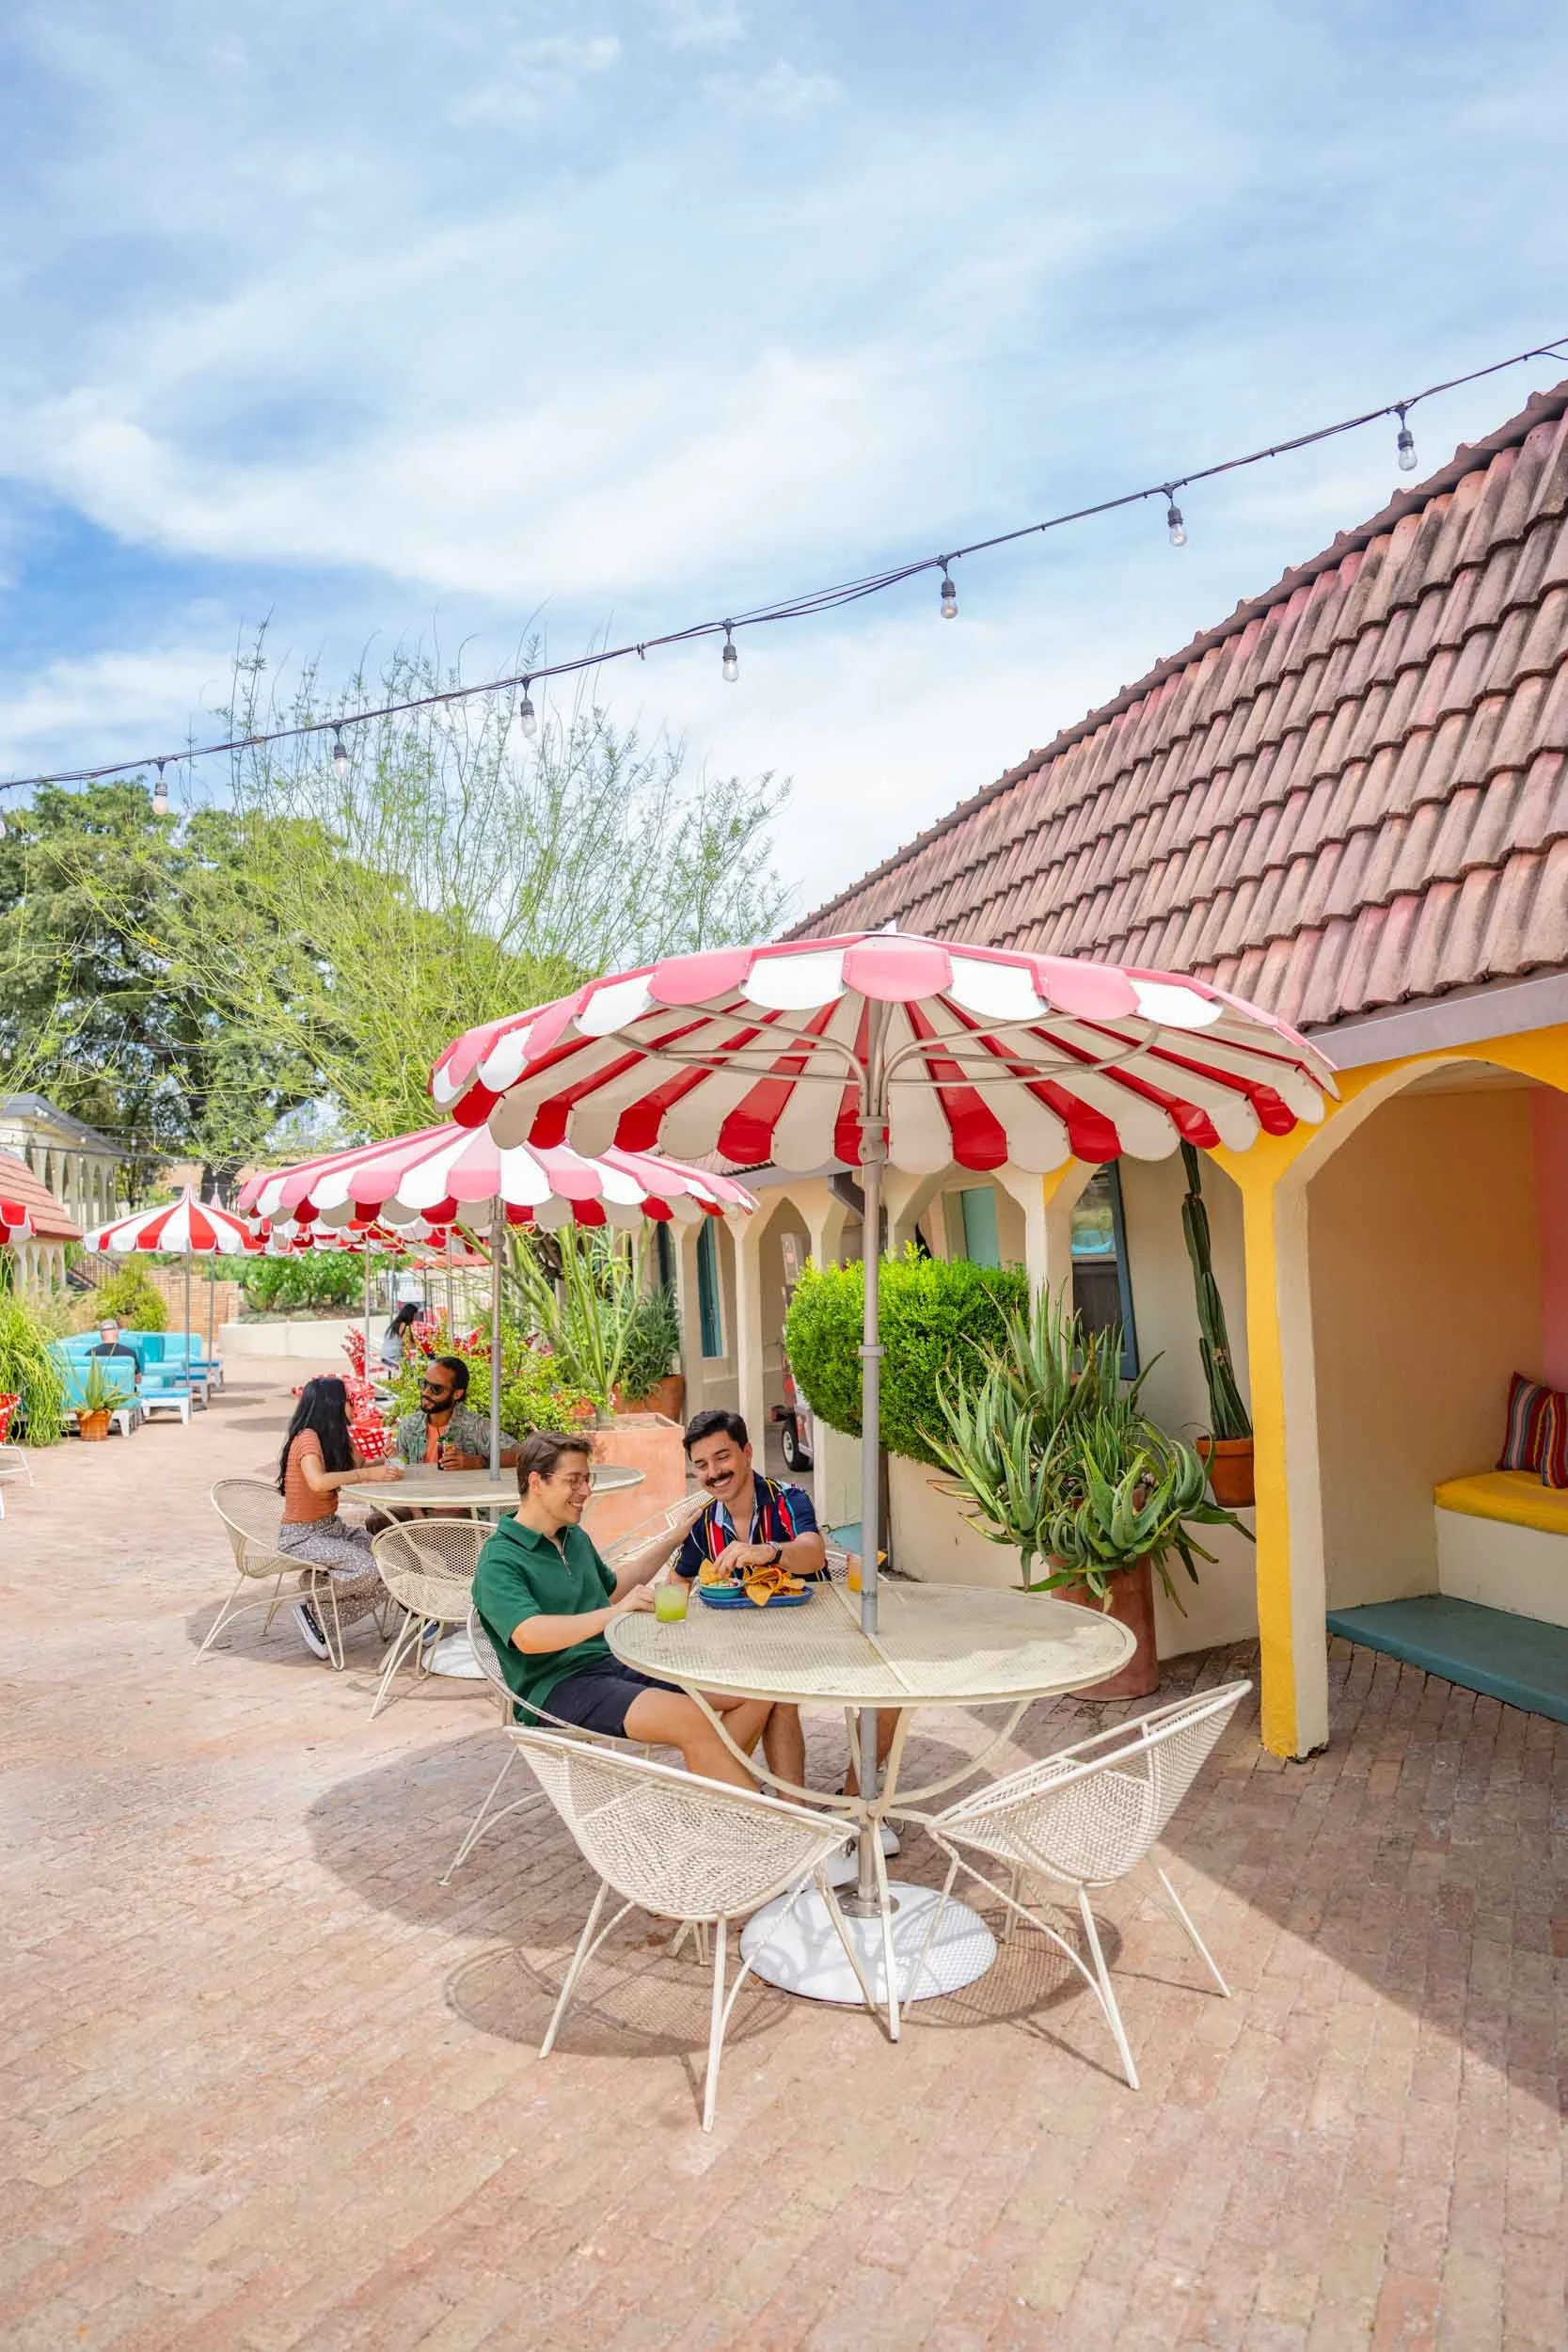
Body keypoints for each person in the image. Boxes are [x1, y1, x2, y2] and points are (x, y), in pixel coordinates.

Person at [473, 1430, 769, 1787]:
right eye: (574, 1481)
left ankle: (712, 1797)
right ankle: (768, 1825)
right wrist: (616, 1613)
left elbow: (611, 1589)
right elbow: (528, 1635)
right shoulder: (499, 1559)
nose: (585, 1492)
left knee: (754, 1693)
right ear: (536, 1482)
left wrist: (674, 1538)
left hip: (614, 1661)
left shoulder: (572, 1537)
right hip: (556, 1686)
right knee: (692, 1720)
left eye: (587, 1479)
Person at [677, 1407, 898, 1821]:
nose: (714, 1473)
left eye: (722, 1457)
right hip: (750, 1649)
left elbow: (813, 1550)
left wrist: (768, 1552)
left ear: (746, 1452)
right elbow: (677, 1586)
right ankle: (795, 1817)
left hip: (824, 1634)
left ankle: (860, 1808)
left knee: (888, 1692)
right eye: (702, 1465)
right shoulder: (704, 1523)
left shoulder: (788, 1500)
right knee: (773, 1694)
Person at [277, 1375, 404, 1658]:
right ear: (332, 1404)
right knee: (369, 1569)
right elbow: (318, 1482)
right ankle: (315, 1597)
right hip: (302, 1535)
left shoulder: (334, 1436)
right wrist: (367, 1473)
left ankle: (318, 1616)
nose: (353, 1403)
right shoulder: (307, 1438)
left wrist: (384, 1458)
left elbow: (360, 1465)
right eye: (348, 1399)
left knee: (392, 1562)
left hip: (332, 1529)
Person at [394, 1356, 517, 1471]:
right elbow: (400, 1464)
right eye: (424, 1383)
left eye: (436, 1389)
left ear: (457, 1394)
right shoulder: (409, 1425)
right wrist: (391, 1458)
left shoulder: (474, 1426)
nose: (426, 1392)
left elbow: (520, 1454)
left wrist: (478, 1462)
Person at [87, 1316, 142, 1395]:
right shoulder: (130, 1354)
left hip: (99, 1402)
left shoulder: (90, 1354)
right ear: (117, 1333)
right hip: (126, 1398)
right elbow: (138, 1380)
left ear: (101, 1335)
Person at [379, 1300, 420, 1374]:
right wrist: (418, 1345)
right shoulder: (403, 1324)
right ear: (410, 1314)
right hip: (392, 1358)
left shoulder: (396, 1323)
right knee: (415, 1367)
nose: (415, 1317)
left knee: (412, 1364)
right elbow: (409, 1344)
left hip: (386, 1357)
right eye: (415, 1315)